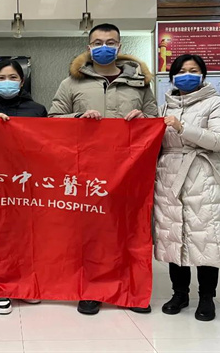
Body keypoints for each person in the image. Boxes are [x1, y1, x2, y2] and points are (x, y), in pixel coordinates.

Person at [48, 22, 158, 316]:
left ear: (120, 46)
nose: (104, 47)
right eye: (98, 43)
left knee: (130, 230)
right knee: (91, 232)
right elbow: (53, 120)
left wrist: (143, 119)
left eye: (110, 42)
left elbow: (155, 120)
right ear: (89, 47)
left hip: (129, 169)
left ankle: (131, 291)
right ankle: (92, 290)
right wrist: (79, 117)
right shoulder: (71, 83)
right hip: (88, 170)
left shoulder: (139, 83)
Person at [153, 54, 220, 322]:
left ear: (203, 75)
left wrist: (183, 127)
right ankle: (179, 294)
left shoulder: (217, 103)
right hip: (169, 176)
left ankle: (207, 297)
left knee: (207, 237)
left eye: (193, 70)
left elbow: (219, 139)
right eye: (182, 71)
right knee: (174, 236)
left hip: (203, 175)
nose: (187, 75)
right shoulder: (163, 107)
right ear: (172, 77)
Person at [0, 58, 46, 315]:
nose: (7, 82)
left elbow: (47, 144)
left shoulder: (37, 109)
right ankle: (1, 287)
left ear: (22, 81)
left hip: (26, 181)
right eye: (1, 78)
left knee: (27, 236)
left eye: (13, 77)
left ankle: (26, 285)